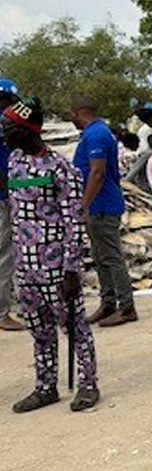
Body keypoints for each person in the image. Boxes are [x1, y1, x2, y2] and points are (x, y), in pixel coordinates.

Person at [2, 96, 99, 412]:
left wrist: (72, 269)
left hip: (57, 266)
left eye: (9, 127)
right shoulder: (14, 161)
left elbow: (74, 220)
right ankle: (46, 387)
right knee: (39, 331)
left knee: (75, 328)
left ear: (28, 131)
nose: (3, 132)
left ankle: (87, 385)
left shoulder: (61, 169)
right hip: (26, 268)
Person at [72, 97, 136, 327]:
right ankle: (108, 302)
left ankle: (126, 306)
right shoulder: (94, 133)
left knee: (111, 257)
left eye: (72, 115)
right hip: (97, 206)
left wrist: (83, 204)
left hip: (102, 205)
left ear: (79, 112)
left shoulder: (96, 134)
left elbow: (97, 172)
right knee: (100, 257)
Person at [0, 79, 23, 331]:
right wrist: (8, 194)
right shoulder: (2, 125)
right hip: (2, 197)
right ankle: (2, 313)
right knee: (5, 254)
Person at [125, 107, 152, 188]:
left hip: (147, 153)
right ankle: (126, 180)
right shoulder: (145, 130)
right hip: (146, 153)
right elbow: (147, 145)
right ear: (150, 118)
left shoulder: (151, 129)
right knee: (139, 172)